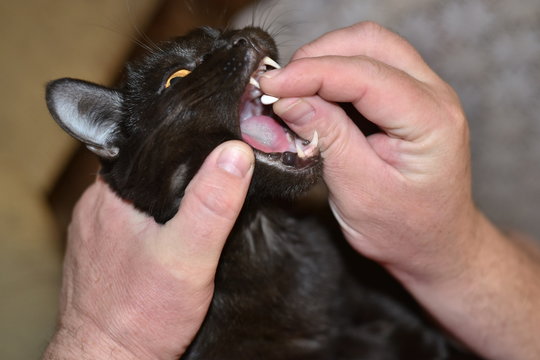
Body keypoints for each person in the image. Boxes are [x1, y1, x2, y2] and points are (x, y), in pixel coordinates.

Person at [42, 22, 540, 360]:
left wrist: (456, 252)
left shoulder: (328, 229)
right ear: (119, 138)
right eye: (177, 77)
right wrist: (107, 339)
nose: (234, 43)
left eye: (221, 36)